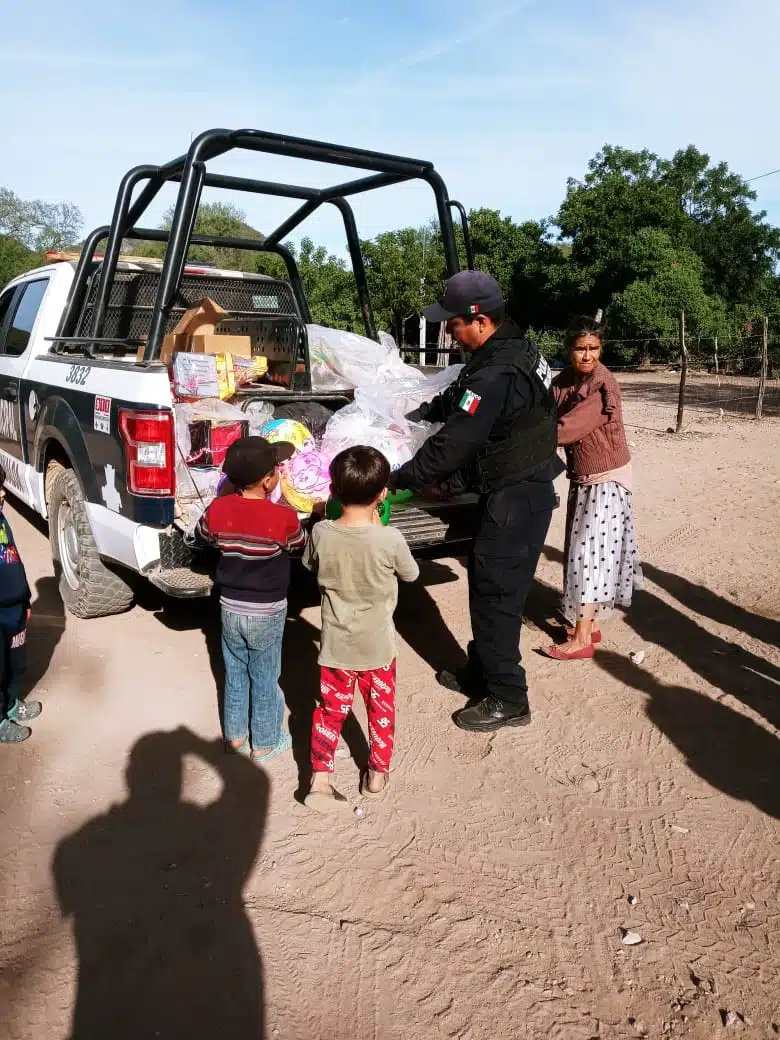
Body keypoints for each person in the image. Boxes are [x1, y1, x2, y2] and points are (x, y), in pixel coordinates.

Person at [391, 270, 559, 733]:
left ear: (479, 320)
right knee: (487, 587)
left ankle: (509, 696)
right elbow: (461, 399)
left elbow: (451, 447)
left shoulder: (497, 371)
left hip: (516, 496)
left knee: (496, 595)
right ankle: (482, 671)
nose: (448, 330)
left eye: (453, 323)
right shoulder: (511, 348)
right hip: (516, 488)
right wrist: (423, 412)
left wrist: (396, 481)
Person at [303, 445, 419, 811]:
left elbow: (309, 563)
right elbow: (411, 574)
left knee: (329, 711)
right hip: (378, 648)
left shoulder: (321, 533)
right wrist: (381, 530)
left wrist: (320, 517)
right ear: (383, 494)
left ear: (333, 491)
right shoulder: (390, 539)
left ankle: (320, 780)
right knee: (380, 710)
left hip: (336, 647)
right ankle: (376, 775)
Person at [191, 436, 305, 761]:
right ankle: (266, 742)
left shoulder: (218, 509)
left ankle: (236, 737)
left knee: (236, 672)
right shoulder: (282, 516)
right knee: (266, 676)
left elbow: (202, 536)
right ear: (269, 480)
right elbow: (298, 544)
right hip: (267, 611)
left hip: (230, 608)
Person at [541, 317, 643, 660]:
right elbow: (545, 408)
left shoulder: (602, 387)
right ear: (570, 349)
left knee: (590, 553)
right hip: (583, 476)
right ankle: (587, 621)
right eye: (581, 349)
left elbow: (565, 429)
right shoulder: (565, 381)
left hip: (607, 478)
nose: (587, 356)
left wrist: (521, 439)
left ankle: (582, 638)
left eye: (594, 349)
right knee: (578, 547)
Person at [0, 466, 39, 744]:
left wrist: (25, 597)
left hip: (15, 608)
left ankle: (11, 702)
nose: (3, 493)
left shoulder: (2, 520)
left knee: (15, 664)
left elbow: (15, 560)